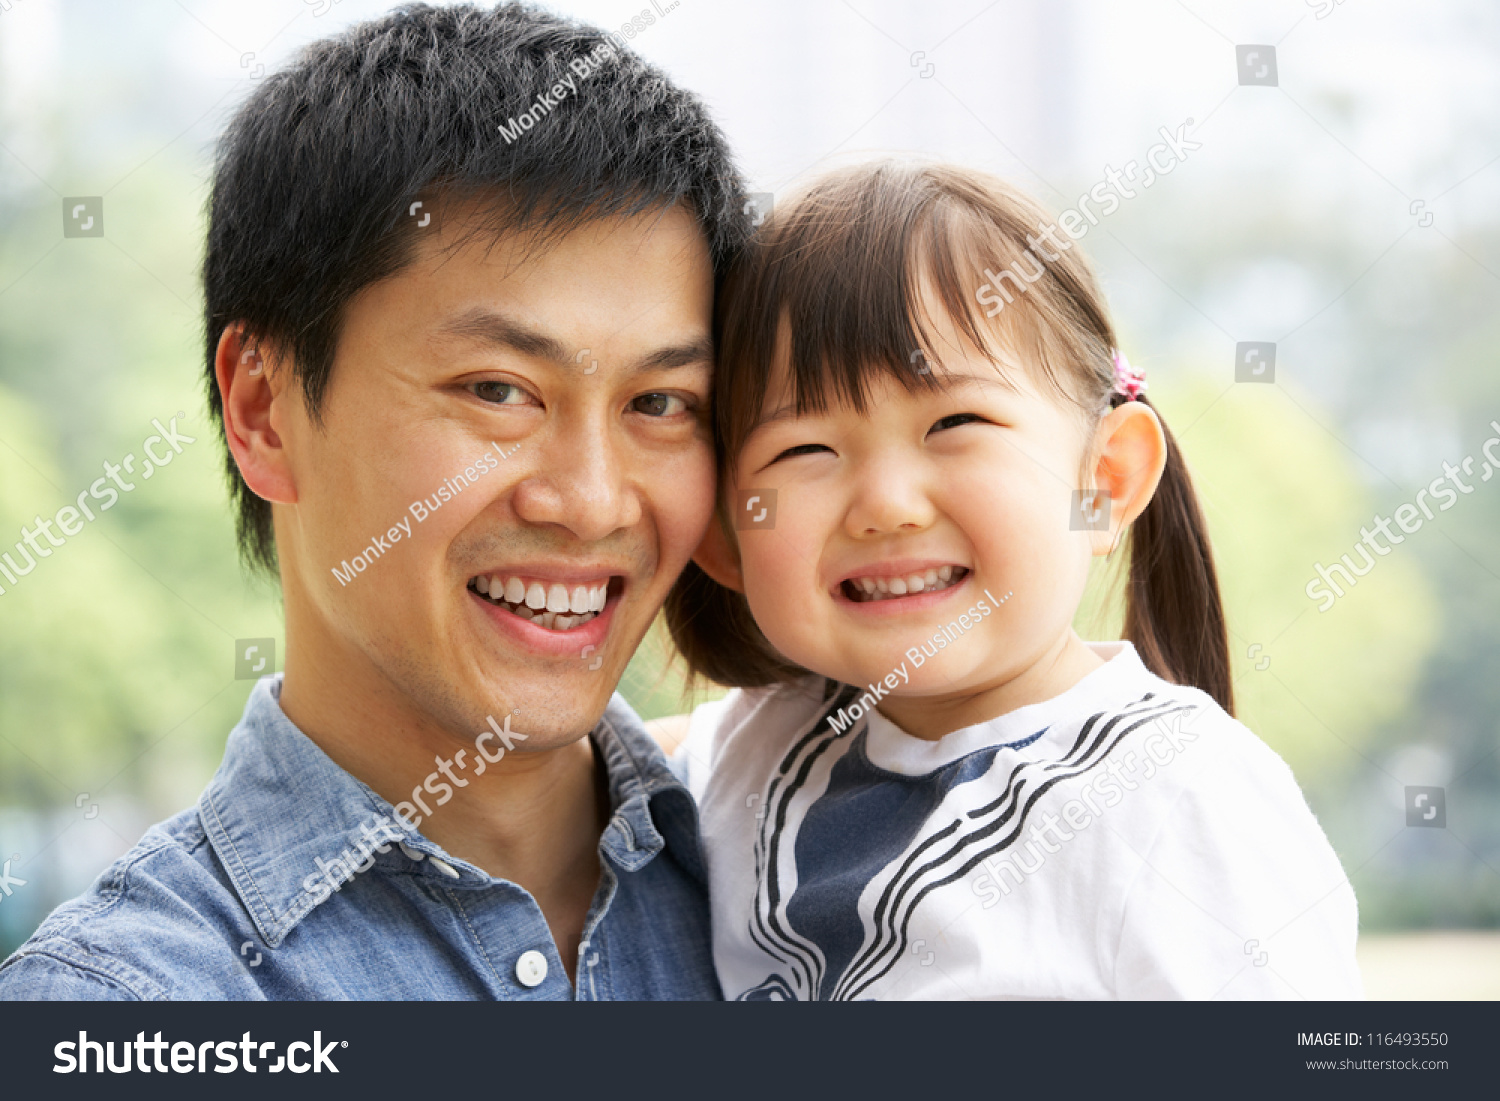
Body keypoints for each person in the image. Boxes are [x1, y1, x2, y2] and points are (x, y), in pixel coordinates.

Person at [0, 2, 748, 1000]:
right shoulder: (133, 1004)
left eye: (660, 403)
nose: (592, 501)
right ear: (263, 409)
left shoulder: (816, 878)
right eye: (497, 391)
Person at [663, 160, 1363, 1000]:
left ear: (1103, 479)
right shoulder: (748, 754)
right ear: (723, 538)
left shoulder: (1180, 797)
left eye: (955, 422)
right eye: (804, 450)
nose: (885, 504)